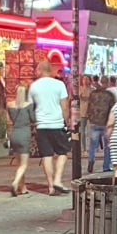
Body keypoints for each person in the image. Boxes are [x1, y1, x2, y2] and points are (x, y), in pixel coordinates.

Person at [28, 59, 70, 195]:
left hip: (41, 125)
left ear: (40, 70)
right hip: (57, 123)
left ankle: (51, 186)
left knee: (47, 155)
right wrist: (66, 121)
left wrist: (33, 121)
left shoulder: (33, 86)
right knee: (63, 153)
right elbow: (64, 106)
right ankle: (58, 179)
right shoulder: (59, 85)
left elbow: (30, 107)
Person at [85, 77, 115, 174]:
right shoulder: (109, 95)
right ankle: (106, 166)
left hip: (95, 122)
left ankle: (91, 161)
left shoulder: (93, 94)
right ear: (107, 83)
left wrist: (90, 117)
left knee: (93, 145)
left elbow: (89, 106)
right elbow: (112, 109)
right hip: (106, 123)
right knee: (107, 146)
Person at [6, 82, 32, 196]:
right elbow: (33, 118)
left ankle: (23, 187)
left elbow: (9, 120)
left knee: (19, 163)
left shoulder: (9, 105)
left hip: (14, 133)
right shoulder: (28, 105)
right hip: (24, 133)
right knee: (24, 164)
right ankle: (15, 183)